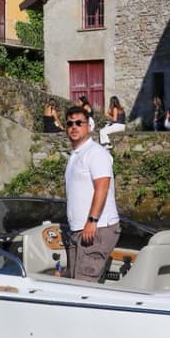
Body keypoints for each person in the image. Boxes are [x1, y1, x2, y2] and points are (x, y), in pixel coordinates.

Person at [63, 103, 120, 281]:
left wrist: (92, 221)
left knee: (83, 285)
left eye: (79, 123)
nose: (74, 127)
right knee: (73, 282)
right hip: (78, 230)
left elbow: (102, 187)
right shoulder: (75, 155)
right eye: (70, 123)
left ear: (88, 126)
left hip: (96, 228)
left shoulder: (95, 153)